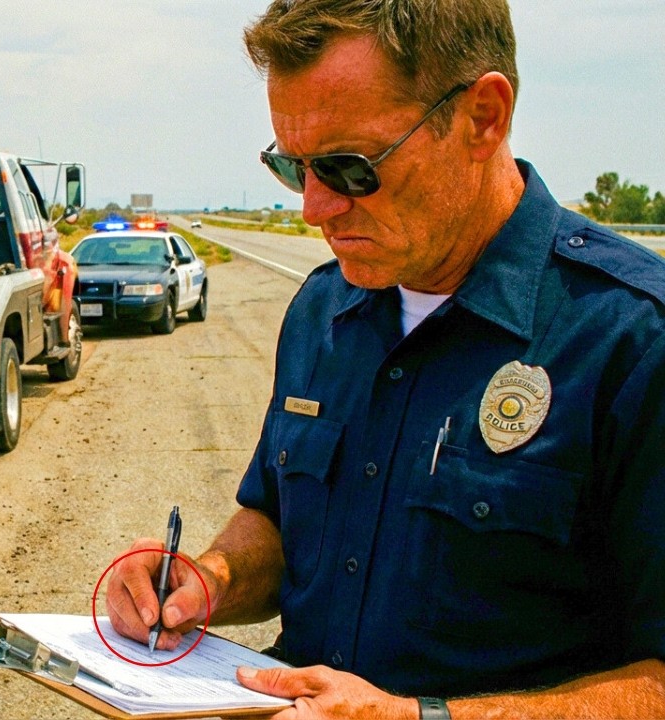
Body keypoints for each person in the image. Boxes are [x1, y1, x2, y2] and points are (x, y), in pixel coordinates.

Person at [105, 1, 665, 717]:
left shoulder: (631, 340)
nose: (314, 207)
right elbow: (280, 522)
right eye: (291, 166)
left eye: (348, 168)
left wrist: (420, 718)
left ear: (482, 118)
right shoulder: (323, 309)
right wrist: (206, 579)